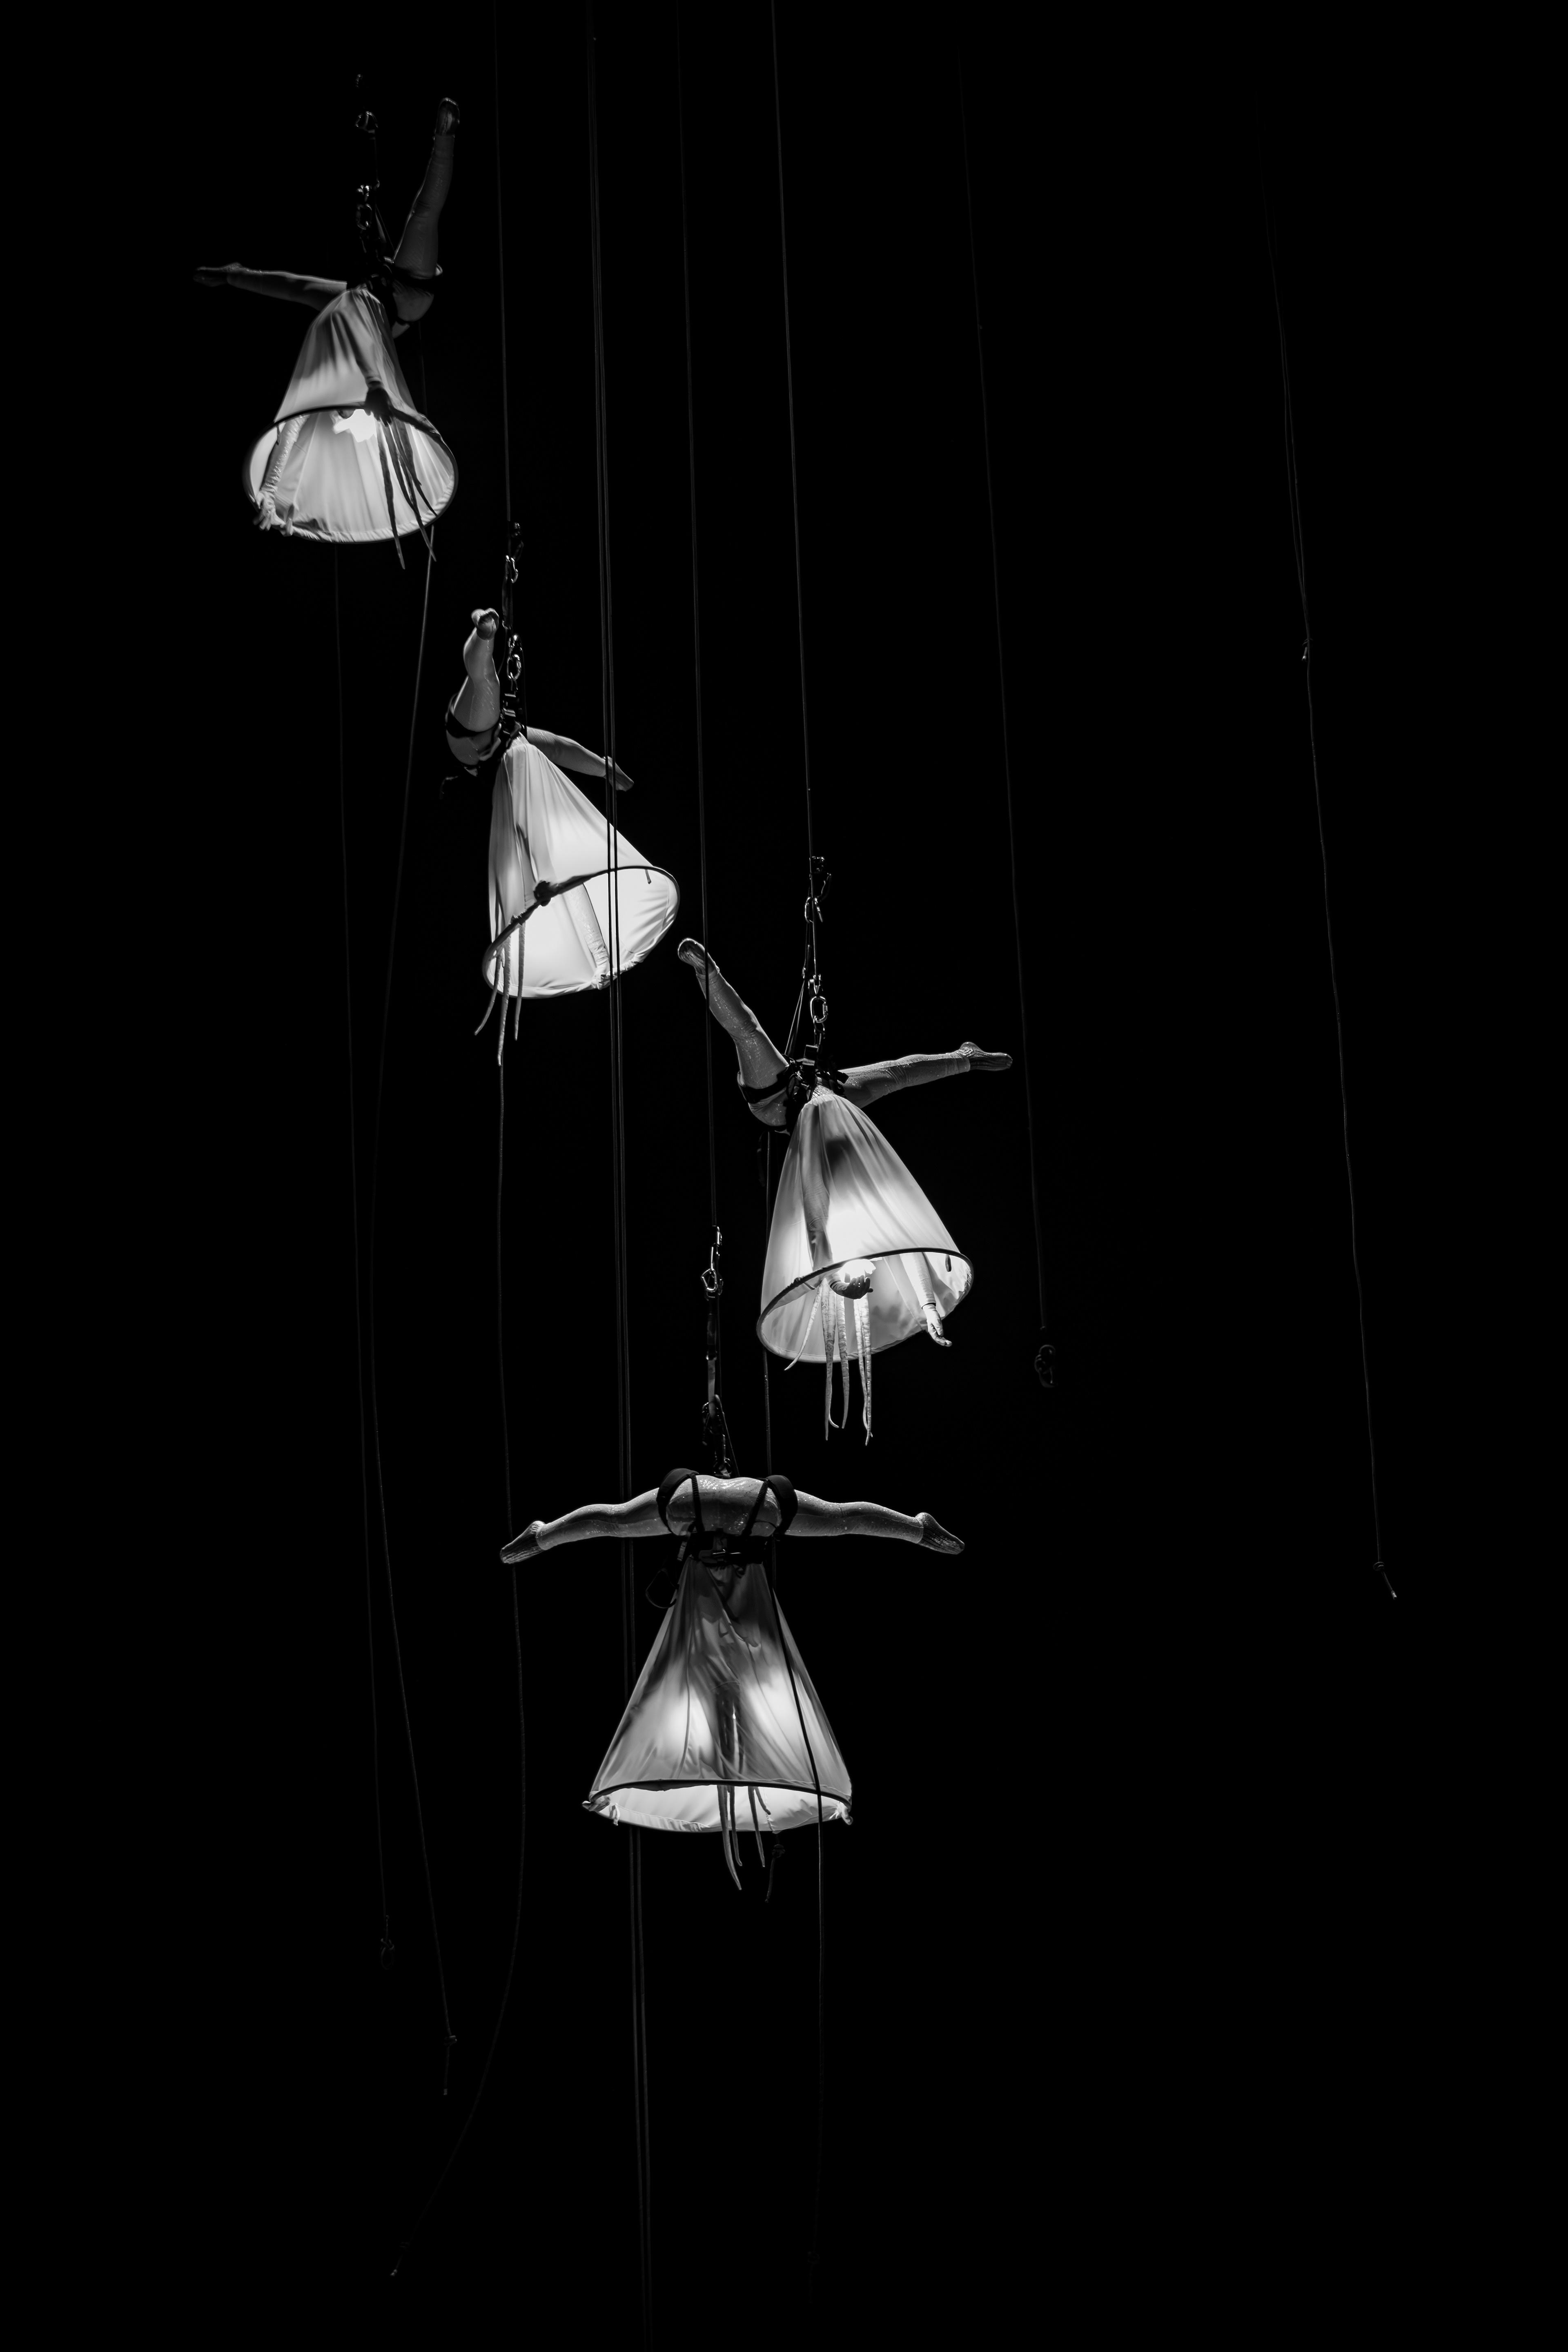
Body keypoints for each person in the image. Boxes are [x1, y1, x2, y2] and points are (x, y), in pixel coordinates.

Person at [679, 939, 1009, 1365]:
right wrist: (929, 1309)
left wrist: (824, 1272)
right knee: (897, 1074)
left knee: (749, 1033)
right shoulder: (870, 1218)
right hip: (831, 1097)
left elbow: (817, 1221)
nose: (867, 1269)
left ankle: (707, 972)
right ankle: (965, 1057)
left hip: (780, 1103)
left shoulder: (827, 1234)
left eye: (855, 1275)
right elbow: (907, 1240)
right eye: (868, 1275)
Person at [195, 99, 460, 535]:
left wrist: (231, 276)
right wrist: (273, 497)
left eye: (338, 413)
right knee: (423, 217)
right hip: (404, 299)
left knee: (308, 291)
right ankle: (446, 137)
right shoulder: (350, 370)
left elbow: (291, 288)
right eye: (344, 414)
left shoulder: (338, 336)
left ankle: (442, 139)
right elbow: (345, 358)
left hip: (368, 297)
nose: (338, 410)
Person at [501, 1470, 962, 1562]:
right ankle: (918, 1527)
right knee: (843, 1518)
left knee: (613, 1521)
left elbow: (608, 1520)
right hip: (754, 1505)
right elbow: (847, 1517)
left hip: (693, 1501)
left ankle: (541, 1534)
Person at [443, 608, 633, 788]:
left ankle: (484, 633)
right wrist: (604, 769)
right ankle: (484, 633)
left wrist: (604, 769)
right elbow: (558, 748)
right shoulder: (511, 737)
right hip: (481, 738)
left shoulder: (509, 741)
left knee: (486, 683)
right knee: (486, 683)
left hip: (474, 743)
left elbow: (558, 749)